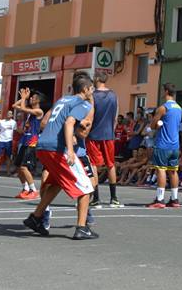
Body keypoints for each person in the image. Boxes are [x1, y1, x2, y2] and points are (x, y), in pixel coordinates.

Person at [22, 73, 97, 240]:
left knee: (56, 183)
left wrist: (78, 126)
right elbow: (69, 122)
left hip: (43, 146)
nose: (93, 91)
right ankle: (82, 227)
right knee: (86, 187)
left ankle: (36, 217)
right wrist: (70, 149)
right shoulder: (83, 104)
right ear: (85, 89)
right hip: (58, 148)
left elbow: (47, 122)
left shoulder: (63, 100)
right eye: (92, 88)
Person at [87, 74, 122, 209]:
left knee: (94, 165)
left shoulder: (92, 96)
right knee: (110, 164)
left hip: (94, 134)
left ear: (96, 79)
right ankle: (114, 199)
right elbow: (115, 117)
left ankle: (96, 199)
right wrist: (111, 130)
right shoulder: (114, 95)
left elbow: (89, 116)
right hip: (108, 135)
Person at [148, 83, 182, 208]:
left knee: (161, 169)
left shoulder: (163, 108)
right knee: (173, 171)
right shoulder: (179, 108)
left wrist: (156, 124)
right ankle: (174, 199)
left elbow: (152, 125)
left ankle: (160, 199)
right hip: (174, 145)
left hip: (163, 143)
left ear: (166, 91)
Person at [13, 88, 44, 199]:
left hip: (32, 142)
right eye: (31, 97)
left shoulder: (39, 111)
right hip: (25, 141)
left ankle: (34, 190)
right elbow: (14, 106)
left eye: (33, 98)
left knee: (24, 167)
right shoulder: (30, 111)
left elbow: (22, 108)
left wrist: (24, 99)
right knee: (17, 166)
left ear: (38, 101)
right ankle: (25, 188)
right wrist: (22, 98)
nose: (31, 98)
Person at [0, 109, 17, 176]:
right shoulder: (1, 122)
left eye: (10, 113)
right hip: (1, 140)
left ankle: (8, 172)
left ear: (12, 115)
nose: (9, 114)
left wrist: (10, 138)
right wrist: (1, 137)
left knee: (8, 157)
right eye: (8, 113)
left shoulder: (14, 122)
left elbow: (14, 132)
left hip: (9, 141)